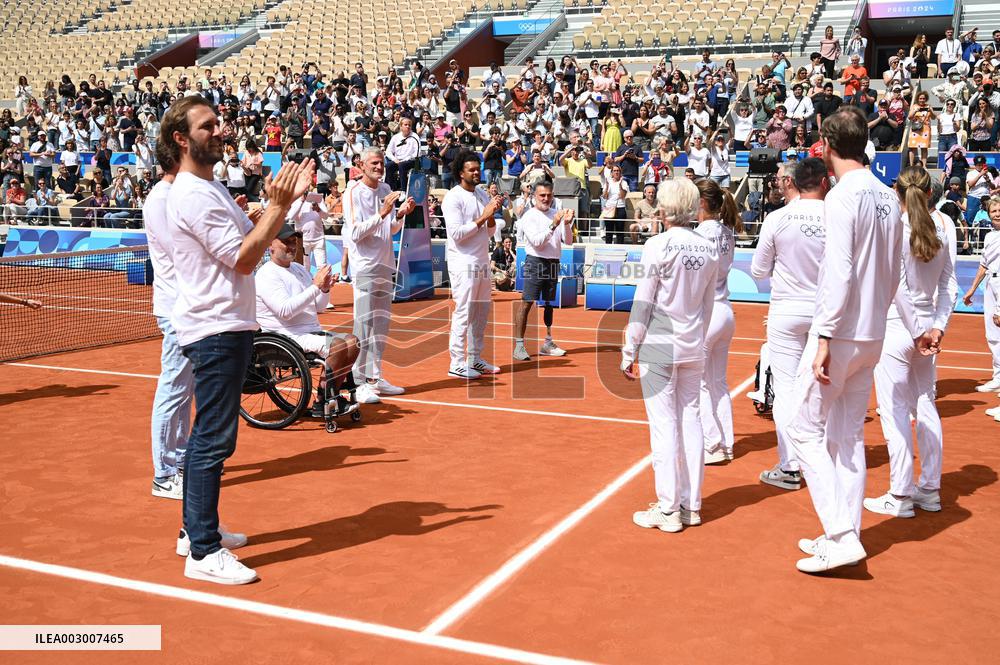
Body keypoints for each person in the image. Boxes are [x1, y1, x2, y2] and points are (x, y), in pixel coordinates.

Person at [161, 96, 314, 585]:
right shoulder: (191, 194)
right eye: (207, 126)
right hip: (215, 327)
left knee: (211, 434)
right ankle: (203, 552)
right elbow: (246, 259)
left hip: (226, 324)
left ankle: (194, 530)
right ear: (181, 139)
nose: (219, 130)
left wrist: (276, 205)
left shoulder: (210, 188)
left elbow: (251, 236)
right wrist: (279, 204)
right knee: (213, 439)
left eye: (218, 123)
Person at [785, 106, 931, 574]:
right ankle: (844, 531)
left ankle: (842, 533)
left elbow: (838, 271)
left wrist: (825, 334)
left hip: (842, 332)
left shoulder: (843, 197)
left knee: (802, 428)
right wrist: (903, 323)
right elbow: (898, 276)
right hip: (872, 332)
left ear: (827, 147)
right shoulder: (890, 198)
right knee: (844, 437)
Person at [623, 179, 720, 533]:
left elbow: (643, 303)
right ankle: (690, 505)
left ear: (665, 209)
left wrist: (629, 348)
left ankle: (668, 509)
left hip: (661, 343)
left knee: (664, 425)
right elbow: (708, 305)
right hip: (694, 342)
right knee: (691, 420)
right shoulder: (708, 248)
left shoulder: (658, 245)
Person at [866, 166, 957, 518]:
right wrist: (936, 328)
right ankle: (929, 489)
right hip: (924, 332)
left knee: (894, 412)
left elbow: (898, 288)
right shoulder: (944, 229)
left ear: (897, 193)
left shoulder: (897, 229)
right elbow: (948, 287)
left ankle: (901, 494)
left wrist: (923, 329)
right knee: (925, 405)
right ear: (929, 193)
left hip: (899, 329)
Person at [751, 158, 828, 490]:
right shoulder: (836, 214)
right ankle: (819, 459)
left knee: (785, 390)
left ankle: (791, 464)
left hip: (787, 310)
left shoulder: (777, 218)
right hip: (825, 310)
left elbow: (757, 270)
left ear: (792, 182)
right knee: (821, 388)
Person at [255, 224, 360, 416]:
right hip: (285, 335)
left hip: (308, 331)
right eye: (286, 242)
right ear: (270, 245)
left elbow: (318, 306)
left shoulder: (298, 269)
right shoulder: (266, 274)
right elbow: (285, 311)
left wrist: (325, 289)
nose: (292, 246)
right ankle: (325, 399)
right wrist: (315, 287)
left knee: (353, 342)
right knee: (337, 345)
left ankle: (330, 394)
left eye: (294, 242)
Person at [342, 146, 416, 404]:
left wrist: (400, 214)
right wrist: (383, 212)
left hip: (385, 265)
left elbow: (390, 229)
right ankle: (358, 381)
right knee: (362, 325)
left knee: (381, 326)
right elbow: (354, 233)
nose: (379, 167)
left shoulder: (385, 190)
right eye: (374, 163)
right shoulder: (352, 191)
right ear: (361, 165)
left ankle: (375, 376)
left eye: (382, 163)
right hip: (364, 267)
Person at [442, 149, 504, 379]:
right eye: (472, 169)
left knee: (481, 312)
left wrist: (491, 213)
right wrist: (483, 215)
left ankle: (475, 358)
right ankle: (456, 362)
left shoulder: (481, 193)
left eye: (478, 168)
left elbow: (489, 231)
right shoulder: (453, 197)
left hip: (481, 260)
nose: (477, 172)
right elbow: (457, 233)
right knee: (464, 312)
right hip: (462, 262)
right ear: (461, 173)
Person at [695, 179, 740, 464]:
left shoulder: (700, 234)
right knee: (718, 383)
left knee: (697, 382)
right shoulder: (727, 232)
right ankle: (726, 442)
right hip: (725, 310)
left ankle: (711, 443)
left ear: (701, 203)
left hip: (709, 312)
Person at [513, 181, 574, 361]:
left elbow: (568, 241)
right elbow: (537, 242)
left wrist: (568, 224)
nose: (546, 198)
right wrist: (554, 224)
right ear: (534, 197)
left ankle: (547, 342)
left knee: (548, 303)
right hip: (535, 262)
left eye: (549, 195)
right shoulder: (528, 217)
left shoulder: (557, 214)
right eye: (542, 195)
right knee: (527, 303)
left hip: (553, 262)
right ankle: (519, 345)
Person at [962, 197, 1000, 392]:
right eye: (994, 211)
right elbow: (984, 264)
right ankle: (997, 376)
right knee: (992, 333)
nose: (997, 214)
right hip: (990, 284)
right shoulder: (989, 237)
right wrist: (971, 290)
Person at [385, 117, 420, 190]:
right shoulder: (395, 137)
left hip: (410, 160)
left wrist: (405, 159)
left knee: (402, 165)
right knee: (388, 166)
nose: (408, 126)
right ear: (401, 126)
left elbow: (417, 153)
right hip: (398, 160)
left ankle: (403, 190)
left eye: (409, 125)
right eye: (406, 125)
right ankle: (390, 189)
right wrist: (394, 159)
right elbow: (388, 151)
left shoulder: (415, 136)